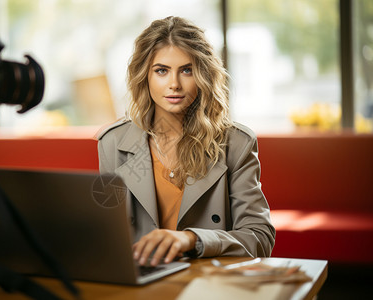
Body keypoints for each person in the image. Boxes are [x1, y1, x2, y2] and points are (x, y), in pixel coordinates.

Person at [97, 16, 275, 267]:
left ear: (203, 75)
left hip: (209, 282)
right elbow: (107, 237)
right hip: (142, 283)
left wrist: (192, 240)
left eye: (187, 70)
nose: (174, 84)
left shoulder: (236, 143)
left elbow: (260, 238)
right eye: (161, 70)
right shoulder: (112, 142)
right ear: (144, 76)